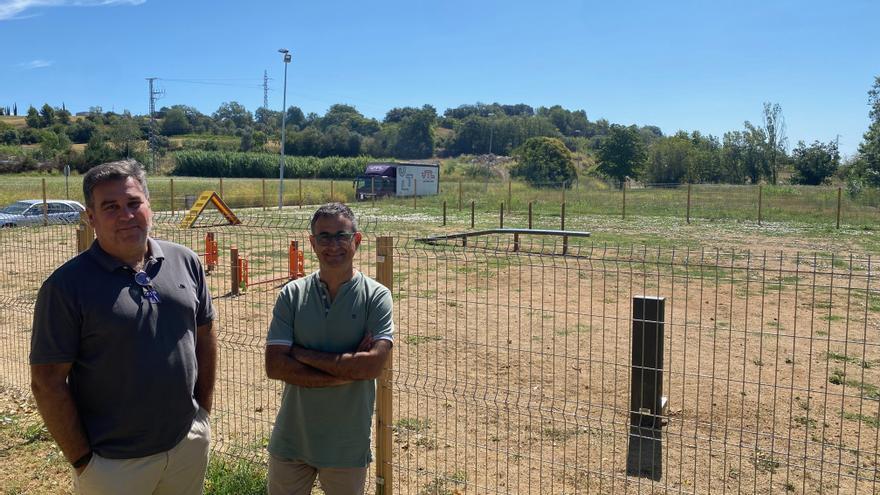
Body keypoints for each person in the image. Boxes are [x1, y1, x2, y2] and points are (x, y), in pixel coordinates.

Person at [29, 159, 218, 495]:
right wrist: (84, 461)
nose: (126, 215)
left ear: (150, 206)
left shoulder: (184, 261)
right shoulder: (66, 287)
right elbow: (48, 383)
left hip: (186, 445)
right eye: (111, 206)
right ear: (91, 217)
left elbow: (204, 336)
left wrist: (201, 415)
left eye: (134, 203)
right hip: (113, 464)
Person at [265, 202, 394, 495]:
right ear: (312, 243)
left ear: (356, 240)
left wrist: (299, 353)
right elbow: (275, 366)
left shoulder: (376, 297)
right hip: (291, 440)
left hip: (346, 446)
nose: (333, 245)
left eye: (341, 235)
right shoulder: (292, 294)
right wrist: (348, 371)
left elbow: (372, 366)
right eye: (324, 236)